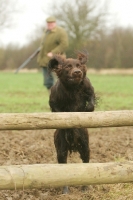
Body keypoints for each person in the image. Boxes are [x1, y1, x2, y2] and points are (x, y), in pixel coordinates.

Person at [37, 16, 69, 92]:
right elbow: (43, 45)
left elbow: (64, 44)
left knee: (59, 81)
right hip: (45, 61)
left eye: (51, 23)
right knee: (48, 83)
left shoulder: (61, 31)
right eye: (48, 23)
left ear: (55, 23)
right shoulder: (46, 32)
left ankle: (63, 98)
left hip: (56, 61)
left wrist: (53, 53)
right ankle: (52, 98)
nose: (49, 25)